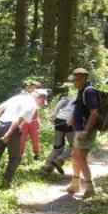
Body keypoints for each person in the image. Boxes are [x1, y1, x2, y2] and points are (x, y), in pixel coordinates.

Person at [68, 68, 99, 198]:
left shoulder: (89, 91)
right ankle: (75, 184)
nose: (73, 82)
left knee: (80, 157)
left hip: (85, 130)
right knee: (75, 155)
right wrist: (71, 118)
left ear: (83, 78)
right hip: (79, 129)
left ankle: (90, 187)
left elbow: (94, 113)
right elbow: (80, 108)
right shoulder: (81, 90)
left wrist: (85, 131)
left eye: (75, 79)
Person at [41, 91, 75, 175]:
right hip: (69, 122)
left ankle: (46, 169)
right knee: (74, 145)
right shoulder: (84, 99)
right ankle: (59, 160)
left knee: (57, 148)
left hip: (59, 119)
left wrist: (53, 114)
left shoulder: (71, 98)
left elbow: (61, 103)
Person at [19, 89, 48, 161]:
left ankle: (37, 154)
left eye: (43, 100)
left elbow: (36, 112)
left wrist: (38, 121)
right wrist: (20, 123)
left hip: (34, 122)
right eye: (41, 99)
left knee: (35, 139)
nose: (41, 102)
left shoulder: (40, 100)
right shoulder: (27, 99)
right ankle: (19, 156)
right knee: (22, 139)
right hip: (24, 122)